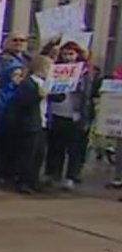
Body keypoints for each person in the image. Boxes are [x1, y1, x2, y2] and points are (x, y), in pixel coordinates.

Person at [44, 41, 93, 191]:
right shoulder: (54, 69)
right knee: (55, 146)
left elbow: (88, 94)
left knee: (74, 148)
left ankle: (71, 176)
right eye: (64, 54)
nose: (67, 57)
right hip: (57, 112)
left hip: (75, 114)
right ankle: (53, 173)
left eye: (71, 54)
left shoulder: (84, 73)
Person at [11, 56, 53, 195]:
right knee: (28, 154)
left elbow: (57, 97)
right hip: (30, 123)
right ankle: (23, 181)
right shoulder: (28, 83)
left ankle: (34, 180)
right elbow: (24, 101)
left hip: (42, 122)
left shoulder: (46, 83)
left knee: (39, 154)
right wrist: (39, 95)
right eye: (48, 68)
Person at [0, 64, 26, 184]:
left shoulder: (23, 89)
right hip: (5, 124)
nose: (18, 78)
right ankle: (3, 173)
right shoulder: (3, 91)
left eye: (21, 75)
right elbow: (0, 107)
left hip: (18, 124)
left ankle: (14, 173)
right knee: (5, 150)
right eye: (15, 75)